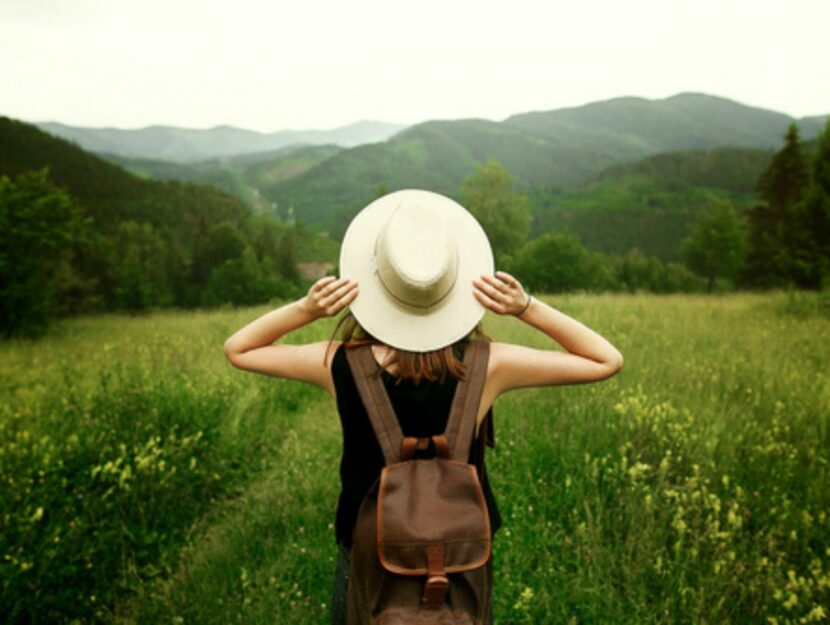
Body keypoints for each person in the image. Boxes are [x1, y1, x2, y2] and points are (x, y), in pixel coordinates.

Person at [223, 189, 623, 624]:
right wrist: (525, 307)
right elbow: (605, 360)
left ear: (376, 287)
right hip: (460, 557)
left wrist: (306, 308)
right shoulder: (490, 365)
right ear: (454, 287)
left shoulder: (336, 362)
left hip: (365, 548)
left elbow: (239, 349)